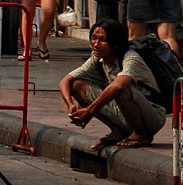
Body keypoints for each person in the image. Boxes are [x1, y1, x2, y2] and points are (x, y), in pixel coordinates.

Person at [59, 19, 166, 150]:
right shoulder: (98, 58)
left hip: (151, 116)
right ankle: (117, 131)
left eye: (102, 40)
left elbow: (119, 86)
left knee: (120, 89)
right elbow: (65, 81)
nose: (96, 44)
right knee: (76, 85)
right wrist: (70, 105)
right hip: (123, 113)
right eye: (94, 38)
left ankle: (140, 134)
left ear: (115, 43)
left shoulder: (131, 57)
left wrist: (90, 110)